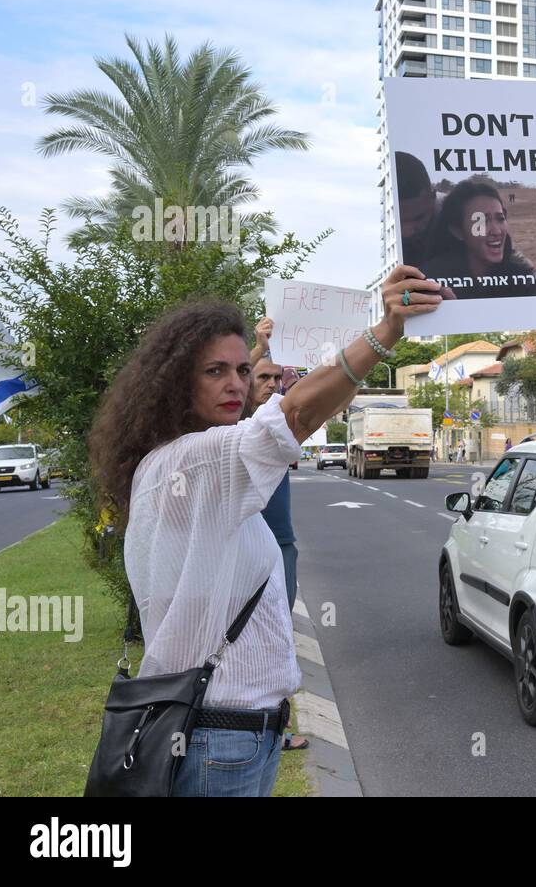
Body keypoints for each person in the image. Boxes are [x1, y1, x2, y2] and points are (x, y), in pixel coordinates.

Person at [88, 267, 442, 797]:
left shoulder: (182, 462)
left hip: (229, 735)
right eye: (214, 371)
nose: (235, 383)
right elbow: (296, 415)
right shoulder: (194, 461)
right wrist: (383, 333)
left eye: (240, 368)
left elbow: (293, 413)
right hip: (217, 739)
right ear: (174, 383)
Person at [245, 320, 308, 753]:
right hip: (241, 547)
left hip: (280, 545)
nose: (270, 384)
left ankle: (276, 728)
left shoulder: (280, 422)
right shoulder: (234, 426)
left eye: (275, 377)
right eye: (261, 378)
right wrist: (259, 346)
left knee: (278, 634)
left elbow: (325, 396)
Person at [421, 179, 536, 300]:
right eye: (482, 221)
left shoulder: (519, 269)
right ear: (458, 231)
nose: (496, 231)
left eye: (500, 218)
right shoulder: (429, 279)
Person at [397, 152, 441, 268]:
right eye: (398, 221)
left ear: (432, 197)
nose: (407, 232)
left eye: (419, 218)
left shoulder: (459, 217)